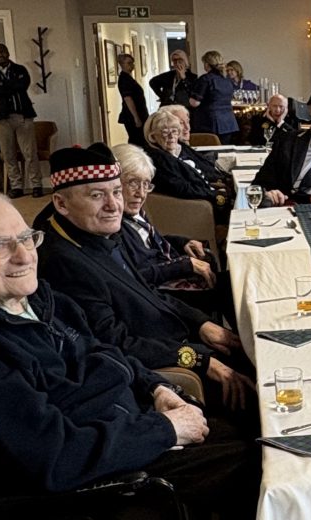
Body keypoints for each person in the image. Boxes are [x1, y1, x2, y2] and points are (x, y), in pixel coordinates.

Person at [0, 189, 258, 520]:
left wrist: (155, 388)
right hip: (79, 492)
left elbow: (103, 348)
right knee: (257, 463)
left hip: (121, 431)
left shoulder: (34, 300)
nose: (23, 256)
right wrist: (162, 429)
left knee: (255, 429)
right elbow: (53, 456)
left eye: (25, 238)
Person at [36, 143, 254, 414]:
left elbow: (149, 293)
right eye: (96, 195)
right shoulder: (63, 261)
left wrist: (201, 323)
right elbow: (115, 343)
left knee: (259, 348)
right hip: (167, 365)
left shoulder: (97, 232)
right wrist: (198, 359)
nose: (113, 205)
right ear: (61, 203)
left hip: (180, 337)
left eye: (116, 192)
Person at [112, 142, 232, 319]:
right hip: (161, 296)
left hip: (171, 276)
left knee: (237, 280)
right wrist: (182, 264)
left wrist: (182, 242)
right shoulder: (114, 224)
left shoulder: (134, 213)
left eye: (146, 184)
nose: (141, 193)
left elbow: (148, 241)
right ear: (114, 184)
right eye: (133, 183)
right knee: (232, 289)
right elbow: (134, 277)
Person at [142, 109, 233, 224]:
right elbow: (182, 189)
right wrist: (214, 194)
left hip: (204, 197)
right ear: (153, 137)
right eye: (165, 133)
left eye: (175, 131)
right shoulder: (158, 160)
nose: (171, 137)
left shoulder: (176, 150)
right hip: (193, 210)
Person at [0, 43, 42, 198]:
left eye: (2, 51)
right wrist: (11, 86)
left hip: (23, 116)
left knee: (30, 153)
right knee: (8, 154)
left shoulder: (20, 69)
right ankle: (16, 186)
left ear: (7, 53)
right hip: (1, 119)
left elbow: (23, 86)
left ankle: (36, 184)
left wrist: (3, 86)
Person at [189, 50, 238, 144]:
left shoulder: (205, 79)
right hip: (228, 122)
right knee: (224, 151)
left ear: (207, 64)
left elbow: (194, 103)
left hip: (209, 122)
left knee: (209, 152)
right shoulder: (227, 79)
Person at [116, 52, 149, 147]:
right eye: (129, 63)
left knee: (140, 139)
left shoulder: (128, 78)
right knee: (137, 140)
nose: (132, 65)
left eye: (132, 63)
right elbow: (128, 99)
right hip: (132, 116)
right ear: (121, 64)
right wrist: (136, 118)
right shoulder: (124, 79)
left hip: (139, 114)